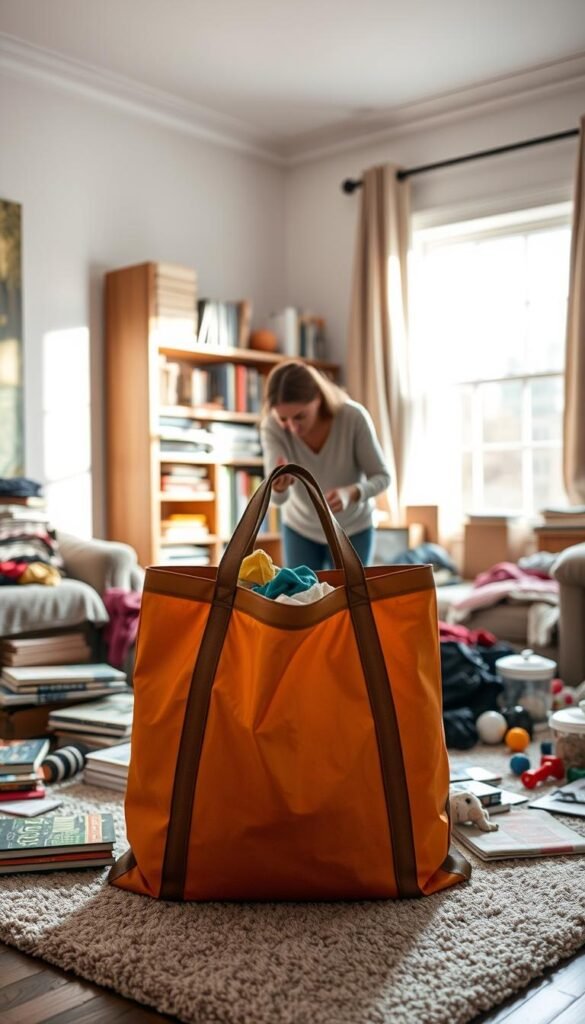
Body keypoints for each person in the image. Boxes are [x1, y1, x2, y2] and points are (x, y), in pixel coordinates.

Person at [260, 360, 391, 569]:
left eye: (300, 416)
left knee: (349, 598)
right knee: (301, 599)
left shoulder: (353, 418)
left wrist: (352, 493)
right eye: (284, 418)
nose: (292, 427)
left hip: (352, 528)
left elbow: (383, 477)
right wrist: (278, 486)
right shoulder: (272, 427)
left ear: (319, 399)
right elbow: (278, 499)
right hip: (300, 528)